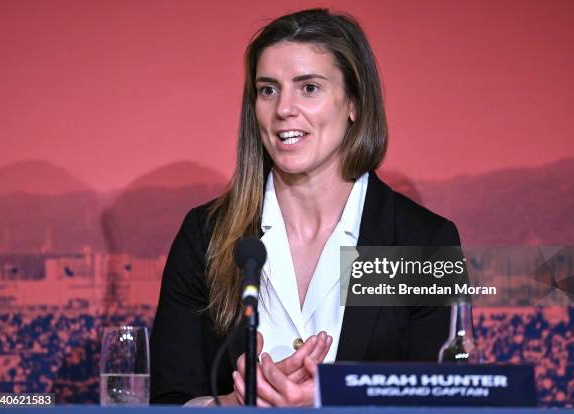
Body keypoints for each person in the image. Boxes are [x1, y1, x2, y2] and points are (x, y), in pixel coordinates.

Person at [150, 8, 460, 407]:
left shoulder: (423, 242)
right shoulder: (205, 235)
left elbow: (443, 398)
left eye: (309, 88)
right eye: (268, 90)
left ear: (354, 103)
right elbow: (167, 399)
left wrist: (335, 397)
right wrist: (231, 404)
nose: (283, 109)